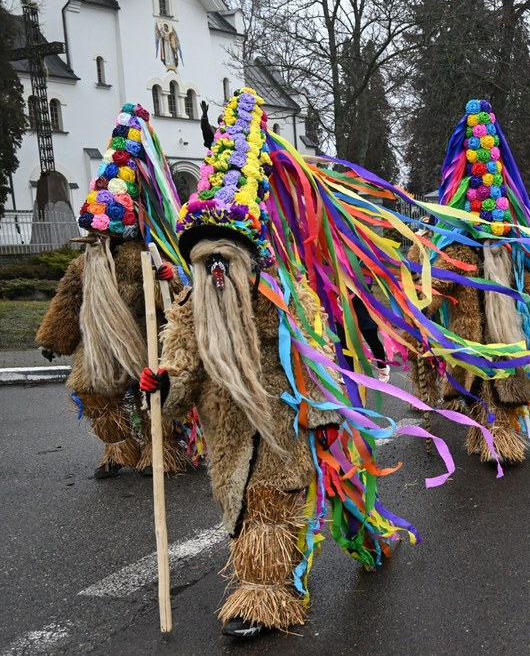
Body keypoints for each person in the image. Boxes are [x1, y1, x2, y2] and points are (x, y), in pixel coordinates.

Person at [141, 88, 446, 637]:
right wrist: (163, 386)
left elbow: (317, 355)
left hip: (283, 421)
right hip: (226, 430)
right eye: (204, 256)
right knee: (240, 509)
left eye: (224, 255)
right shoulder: (190, 306)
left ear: (247, 255)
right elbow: (182, 362)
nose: (215, 270)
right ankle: (365, 539)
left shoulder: (284, 295)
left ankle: (264, 597)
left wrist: (324, 413)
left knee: (265, 509)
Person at [410, 99, 530, 465]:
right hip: (469, 340)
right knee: (477, 392)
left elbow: (527, 281)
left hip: (505, 337)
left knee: (503, 392)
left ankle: (500, 438)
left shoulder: (507, 255)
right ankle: (484, 436)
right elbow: (440, 288)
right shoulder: (460, 257)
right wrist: (419, 310)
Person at [36, 103, 189, 479]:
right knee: (91, 393)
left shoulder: (148, 255)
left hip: (143, 338)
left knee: (152, 396)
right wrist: (55, 340)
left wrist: (167, 278)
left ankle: (161, 451)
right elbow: (69, 299)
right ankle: (119, 447)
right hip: (99, 344)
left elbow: (175, 297)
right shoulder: (85, 261)